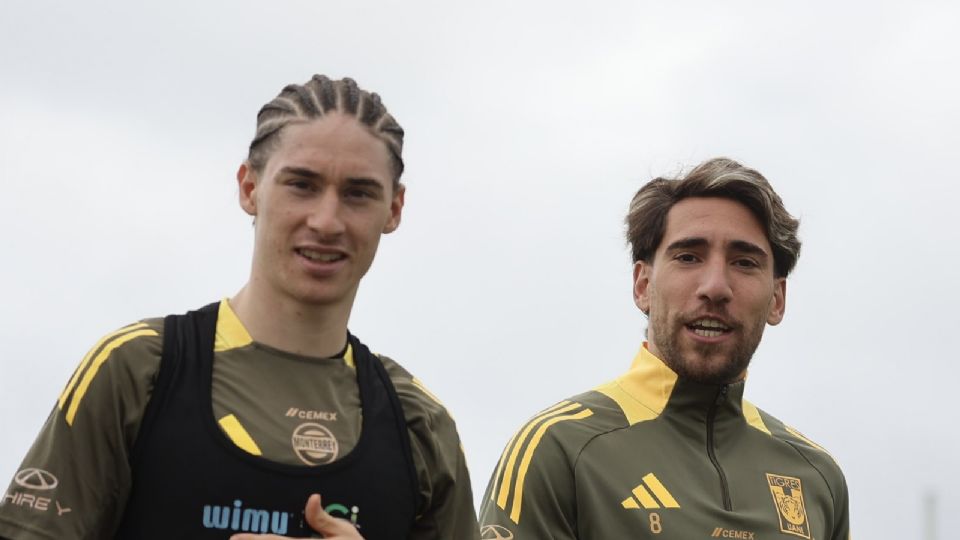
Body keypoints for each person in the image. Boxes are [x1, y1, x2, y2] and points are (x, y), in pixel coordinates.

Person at [0, 75, 479, 540]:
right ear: (250, 189)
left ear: (394, 209)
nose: (327, 221)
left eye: (358, 193)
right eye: (302, 185)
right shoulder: (139, 371)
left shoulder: (418, 423)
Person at [478, 158, 850, 539]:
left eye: (744, 262)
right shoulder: (560, 449)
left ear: (777, 298)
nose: (716, 287)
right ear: (643, 285)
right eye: (688, 257)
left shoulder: (818, 478)